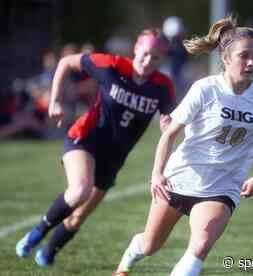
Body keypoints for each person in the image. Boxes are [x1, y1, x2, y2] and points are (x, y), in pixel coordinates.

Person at [112, 14, 253, 276]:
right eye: (244, 55)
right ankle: (125, 264)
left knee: (200, 246)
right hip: (180, 178)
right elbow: (169, 134)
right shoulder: (205, 89)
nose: (251, 62)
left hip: (222, 187)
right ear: (225, 58)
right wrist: (157, 173)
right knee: (150, 245)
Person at [15, 28, 176, 267]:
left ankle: (48, 253)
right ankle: (36, 233)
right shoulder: (111, 66)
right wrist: (55, 100)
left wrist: (167, 123)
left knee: (80, 215)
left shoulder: (163, 86)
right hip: (84, 139)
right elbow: (67, 62)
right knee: (80, 190)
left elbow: (169, 121)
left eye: (155, 57)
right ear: (135, 49)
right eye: (145, 53)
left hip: (115, 157)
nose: (148, 61)